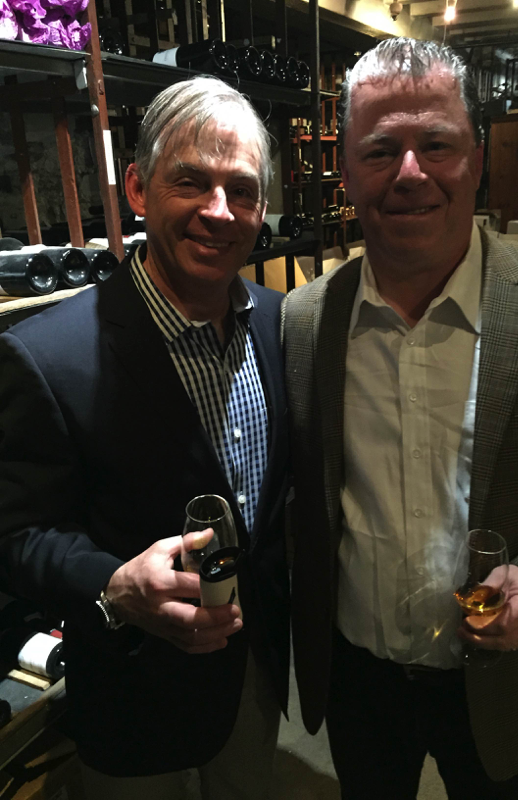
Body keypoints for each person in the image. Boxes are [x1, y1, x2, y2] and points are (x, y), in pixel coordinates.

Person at [283, 37, 518, 800]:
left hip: (507, 682)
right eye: (380, 150)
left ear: (477, 159)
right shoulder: (303, 321)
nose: (410, 173)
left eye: (437, 144)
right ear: (347, 171)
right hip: (360, 687)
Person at [0, 76, 289, 800]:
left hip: (256, 678)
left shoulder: (283, 324)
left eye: (242, 190)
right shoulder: (48, 355)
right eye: (190, 181)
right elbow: (16, 534)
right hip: (133, 696)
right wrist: (111, 584)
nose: (218, 211)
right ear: (137, 188)